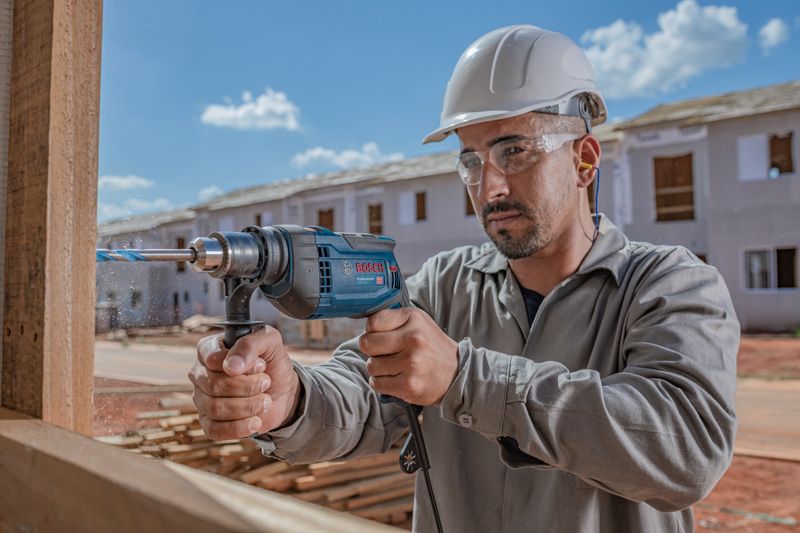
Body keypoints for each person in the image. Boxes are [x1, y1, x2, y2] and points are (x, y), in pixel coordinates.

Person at [189, 25, 739, 532]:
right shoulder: (443, 286)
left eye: (515, 151)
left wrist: (465, 379)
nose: (489, 185)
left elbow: (686, 452)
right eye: (471, 160)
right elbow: (361, 394)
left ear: (584, 161)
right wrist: (289, 401)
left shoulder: (669, 285)